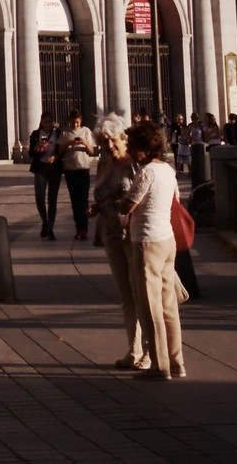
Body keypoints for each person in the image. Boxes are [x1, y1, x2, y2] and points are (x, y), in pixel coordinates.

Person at [117, 121, 184, 379]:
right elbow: (175, 199)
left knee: (150, 306)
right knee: (169, 307)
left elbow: (127, 206)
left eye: (134, 147)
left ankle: (159, 366)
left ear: (146, 148)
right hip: (167, 240)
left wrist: (120, 202)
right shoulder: (168, 170)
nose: (131, 152)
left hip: (146, 242)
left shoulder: (146, 173)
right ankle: (177, 363)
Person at [91, 113, 147, 370]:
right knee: (126, 296)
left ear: (123, 138)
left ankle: (150, 352)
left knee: (141, 294)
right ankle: (133, 350)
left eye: (112, 141)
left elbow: (147, 194)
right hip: (111, 233)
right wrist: (96, 207)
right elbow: (103, 193)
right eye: (104, 142)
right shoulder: (104, 162)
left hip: (134, 235)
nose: (109, 146)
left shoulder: (134, 164)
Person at [56, 110, 96, 241]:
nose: (75, 125)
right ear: (69, 121)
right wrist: (68, 143)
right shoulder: (64, 132)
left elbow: (92, 152)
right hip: (69, 169)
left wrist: (84, 143)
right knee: (74, 200)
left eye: (77, 122)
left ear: (81, 121)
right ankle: (78, 227)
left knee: (83, 199)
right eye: (73, 122)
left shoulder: (86, 131)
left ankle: (83, 228)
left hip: (83, 168)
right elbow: (60, 152)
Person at [27, 111, 62, 239]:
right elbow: (30, 153)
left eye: (49, 122)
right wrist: (37, 147)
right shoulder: (36, 134)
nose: (47, 124)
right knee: (39, 197)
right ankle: (44, 221)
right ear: (41, 122)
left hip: (54, 168)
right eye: (45, 122)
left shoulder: (58, 134)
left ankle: (50, 228)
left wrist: (56, 157)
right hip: (40, 167)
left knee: (52, 198)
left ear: (53, 122)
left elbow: (62, 150)